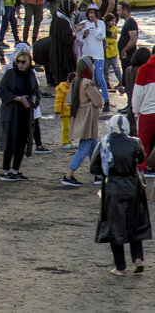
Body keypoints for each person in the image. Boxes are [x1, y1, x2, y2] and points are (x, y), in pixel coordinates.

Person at [91, 114, 152, 275]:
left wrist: (105, 173)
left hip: (112, 187)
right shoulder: (135, 142)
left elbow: (93, 167)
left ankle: (120, 267)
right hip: (133, 186)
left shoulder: (104, 143)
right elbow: (141, 159)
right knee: (135, 223)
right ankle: (138, 258)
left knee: (115, 228)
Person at [0, 49, 39, 181]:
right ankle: (5, 171)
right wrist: (18, 98)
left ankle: (15, 170)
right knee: (10, 141)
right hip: (11, 113)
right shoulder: (10, 74)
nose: (20, 64)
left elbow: (36, 91)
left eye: (23, 62)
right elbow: (1, 90)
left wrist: (32, 101)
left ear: (28, 63)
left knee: (22, 141)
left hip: (25, 113)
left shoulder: (31, 75)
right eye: (18, 61)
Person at [62, 58, 105, 186]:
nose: (93, 67)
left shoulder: (75, 81)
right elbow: (98, 101)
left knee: (93, 145)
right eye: (91, 65)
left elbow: (69, 100)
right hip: (88, 117)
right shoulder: (87, 83)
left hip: (79, 115)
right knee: (84, 147)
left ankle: (97, 174)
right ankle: (68, 175)